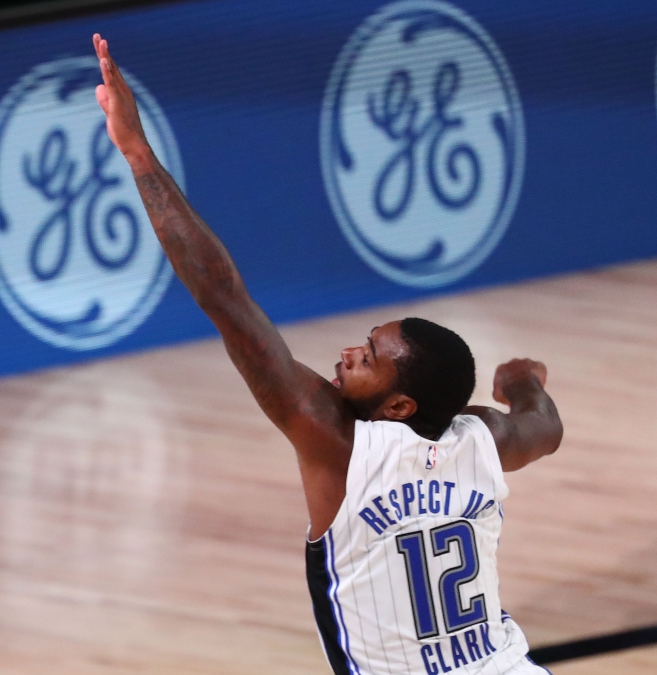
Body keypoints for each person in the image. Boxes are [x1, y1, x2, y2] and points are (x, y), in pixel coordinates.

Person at [91, 34, 563, 675]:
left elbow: (224, 298)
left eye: (368, 357)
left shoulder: (339, 443)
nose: (347, 354)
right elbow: (545, 425)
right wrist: (523, 381)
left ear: (400, 405)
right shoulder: (485, 438)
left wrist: (137, 152)